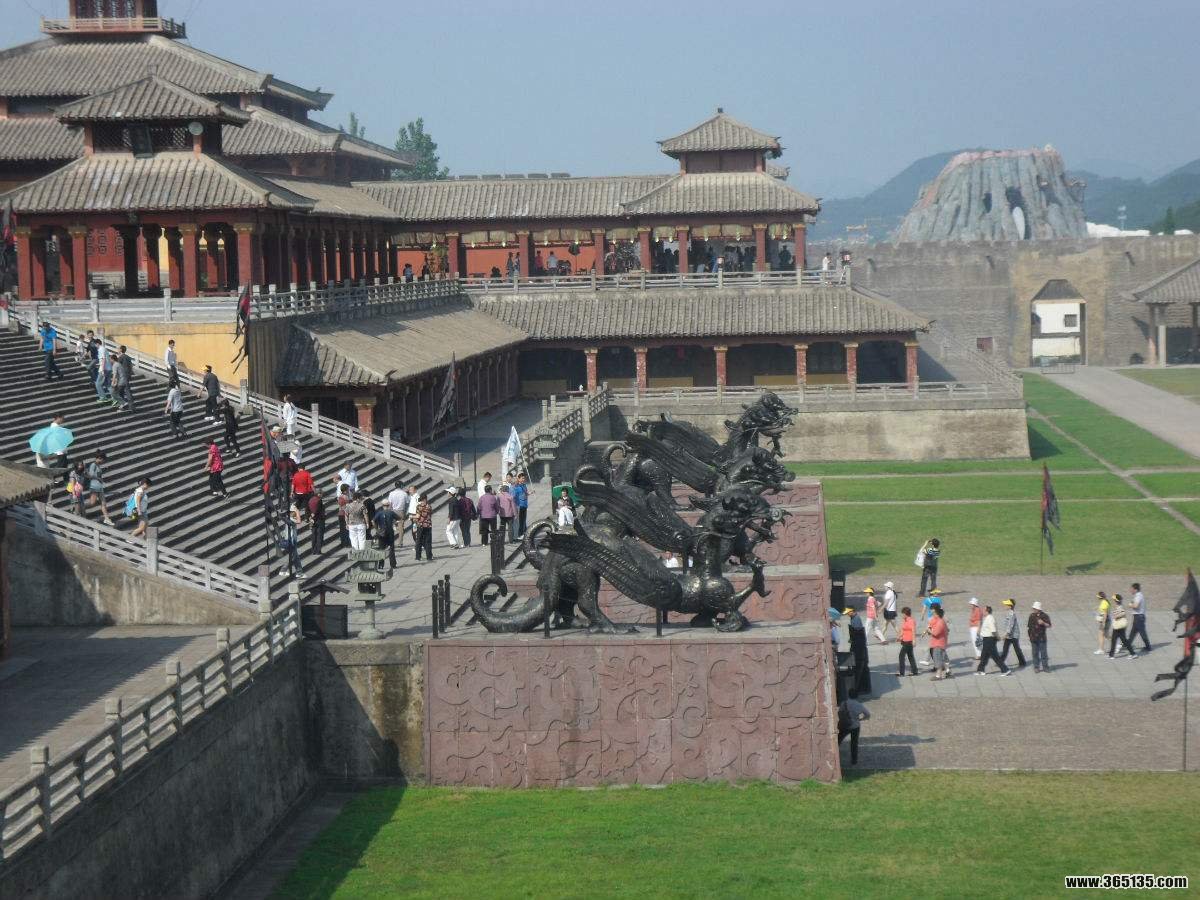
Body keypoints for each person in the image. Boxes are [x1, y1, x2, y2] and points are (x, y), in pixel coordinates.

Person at [975, 605, 1011, 675]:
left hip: (990, 640)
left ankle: (1005, 670)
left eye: (983, 610)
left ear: (987, 611)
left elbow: (993, 631)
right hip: (986, 639)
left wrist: (998, 637)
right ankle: (980, 670)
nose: (982, 612)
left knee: (995, 656)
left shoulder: (990, 619)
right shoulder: (987, 618)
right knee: (984, 656)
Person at [845, 606, 871, 697]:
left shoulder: (856, 620)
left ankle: (859, 688)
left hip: (859, 650)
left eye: (848, 612)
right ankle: (862, 688)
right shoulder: (853, 619)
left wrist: (853, 639)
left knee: (859, 669)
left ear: (852, 611)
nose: (847, 614)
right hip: (859, 648)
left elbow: (857, 634)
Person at [837, 698, 870, 766]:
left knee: (838, 739)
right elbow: (867, 714)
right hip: (855, 726)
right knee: (854, 743)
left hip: (844, 725)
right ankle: (854, 760)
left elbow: (839, 712)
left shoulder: (844, 703)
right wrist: (861, 719)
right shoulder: (859, 705)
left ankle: (834, 754)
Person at [86, 451, 114, 525]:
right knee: (92, 503)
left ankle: (107, 519)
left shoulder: (98, 465)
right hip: (94, 486)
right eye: (103, 459)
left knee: (103, 503)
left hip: (99, 487)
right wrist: (99, 478)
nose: (103, 461)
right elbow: (91, 475)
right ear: (99, 458)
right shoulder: (93, 465)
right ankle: (79, 508)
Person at [1107, 594, 1138, 659]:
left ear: (1116, 601)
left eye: (1114, 600)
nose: (1113, 601)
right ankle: (1111, 655)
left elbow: (1120, 614)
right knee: (1115, 640)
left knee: (1123, 641)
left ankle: (1133, 654)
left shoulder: (1120, 607)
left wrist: (1115, 615)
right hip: (1118, 626)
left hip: (1119, 626)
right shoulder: (1118, 606)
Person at [926, 604, 952, 680]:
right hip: (940, 643)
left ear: (936, 612)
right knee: (944, 658)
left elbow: (935, 633)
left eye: (933, 612)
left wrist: (929, 630)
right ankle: (948, 671)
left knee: (938, 659)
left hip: (938, 643)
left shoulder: (940, 622)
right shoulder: (939, 620)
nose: (932, 614)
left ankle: (938, 675)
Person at [999, 598, 1026, 668]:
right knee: (1005, 649)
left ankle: (1022, 662)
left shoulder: (1011, 614)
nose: (1005, 606)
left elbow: (1010, 626)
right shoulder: (1008, 613)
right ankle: (1000, 662)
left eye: (1007, 605)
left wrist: (1005, 635)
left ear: (1010, 606)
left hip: (1013, 635)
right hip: (1009, 635)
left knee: (1017, 649)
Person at [1027, 601, 1052, 673]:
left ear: (1039, 609)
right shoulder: (1032, 616)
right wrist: (1029, 636)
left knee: (1043, 653)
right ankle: (1036, 667)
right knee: (1035, 653)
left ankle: (1045, 667)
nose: (1034, 610)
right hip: (1033, 637)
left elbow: (1049, 625)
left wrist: (1043, 623)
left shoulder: (1045, 616)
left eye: (1035, 608)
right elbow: (1029, 627)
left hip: (1042, 638)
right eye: (1033, 608)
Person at [373, 498, 398, 568]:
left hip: (382, 532)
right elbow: (399, 518)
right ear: (388, 505)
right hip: (390, 532)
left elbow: (373, 521)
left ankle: (381, 565)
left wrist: (376, 529)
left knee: (381, 549)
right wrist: (394, 523)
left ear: (382, 505)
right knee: (391, 549)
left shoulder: (379, 513)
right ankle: (393, 564)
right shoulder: (391, 512)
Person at [1128, 582, 1151, 652]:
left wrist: (1130, 605)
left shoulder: (1138, 596)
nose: (1130, 590)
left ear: (1135, 589)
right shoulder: (1139, 595)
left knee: (1142, 632)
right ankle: (1128, 644)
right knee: (1133, 632)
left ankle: (1148, 647)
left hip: (1139, 617)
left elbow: (1136, 606)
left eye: (1131, 589)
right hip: (1138, 617)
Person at [412, 492, 433, 560]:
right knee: (428, 541)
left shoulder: (419, 506)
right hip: (428, 525)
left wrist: (412, 517)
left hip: (420, 526)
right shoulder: (429, 506)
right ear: (426, 498)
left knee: (419, 541)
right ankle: (429, 556)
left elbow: (418, 516)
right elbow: (430, 515)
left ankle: (418, 556)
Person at [898, 606, 918, 676]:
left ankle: (901, 672)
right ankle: (914, 671)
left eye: (902, 614)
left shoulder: (911, 621)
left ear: (905, 614)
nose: (902, 615)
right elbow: (903, 630)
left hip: (909, 641)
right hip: (904, 640)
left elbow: (913, 631)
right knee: (910, 656)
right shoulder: (904, 620)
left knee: (901, 656)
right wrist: (899, 637)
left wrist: (914, 640)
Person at [116, 346, 134, 411]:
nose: (117, 350)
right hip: (127, 375)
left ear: (121, 350)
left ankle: (123, 406)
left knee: (122, 391)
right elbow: (131, 366)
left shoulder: (120, 357)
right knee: (127, 390)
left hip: (122, 376)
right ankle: (131, 406)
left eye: (118, 349)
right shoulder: (128, 357)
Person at [308, 489, 326, 556]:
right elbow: (318, 510)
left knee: (314, 535)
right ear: (318, 494)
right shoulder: (319, 500)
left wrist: (309, 517)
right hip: (319, 520)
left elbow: (307, 509)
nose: (322, 495)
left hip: (312, 520)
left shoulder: (310, 500)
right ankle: (318, 550)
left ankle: (313, 550)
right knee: (319, 535)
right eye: (321, 493)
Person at [512, 473, 530, 537]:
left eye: (524, 478)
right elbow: (513, 496)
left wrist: (530, 493)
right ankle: (520, 534)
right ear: (518, 479)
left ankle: (524, 532)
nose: (523, 479)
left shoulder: (524, 485)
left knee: (524, 520)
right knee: (520, 521)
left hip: (524, 505)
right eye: (522, 478)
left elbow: (525, 493)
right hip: (519, 505)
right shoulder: (516, 487)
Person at [1094, 591, 1110, 655]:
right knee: (1106, 635)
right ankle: (1115, 645)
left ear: (1100, 597)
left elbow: (1105, 613)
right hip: (1106, 620)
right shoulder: (1105, 601)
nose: (1097, 598)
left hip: (1104, 621)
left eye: (1098, 597)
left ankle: (1101, 649)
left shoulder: (1104, 603)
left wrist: (1103, 623)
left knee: (1101, 635)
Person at [336, 483, 351, 548]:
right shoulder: (346, 497)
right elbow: (347, 507)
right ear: (345, 490)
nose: (349, 491)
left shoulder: (340, 496)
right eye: (348, 489)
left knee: (342, 529)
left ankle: (343, 542)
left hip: (340, 514)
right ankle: (346, 543)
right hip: (345, 514)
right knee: (346, 529)